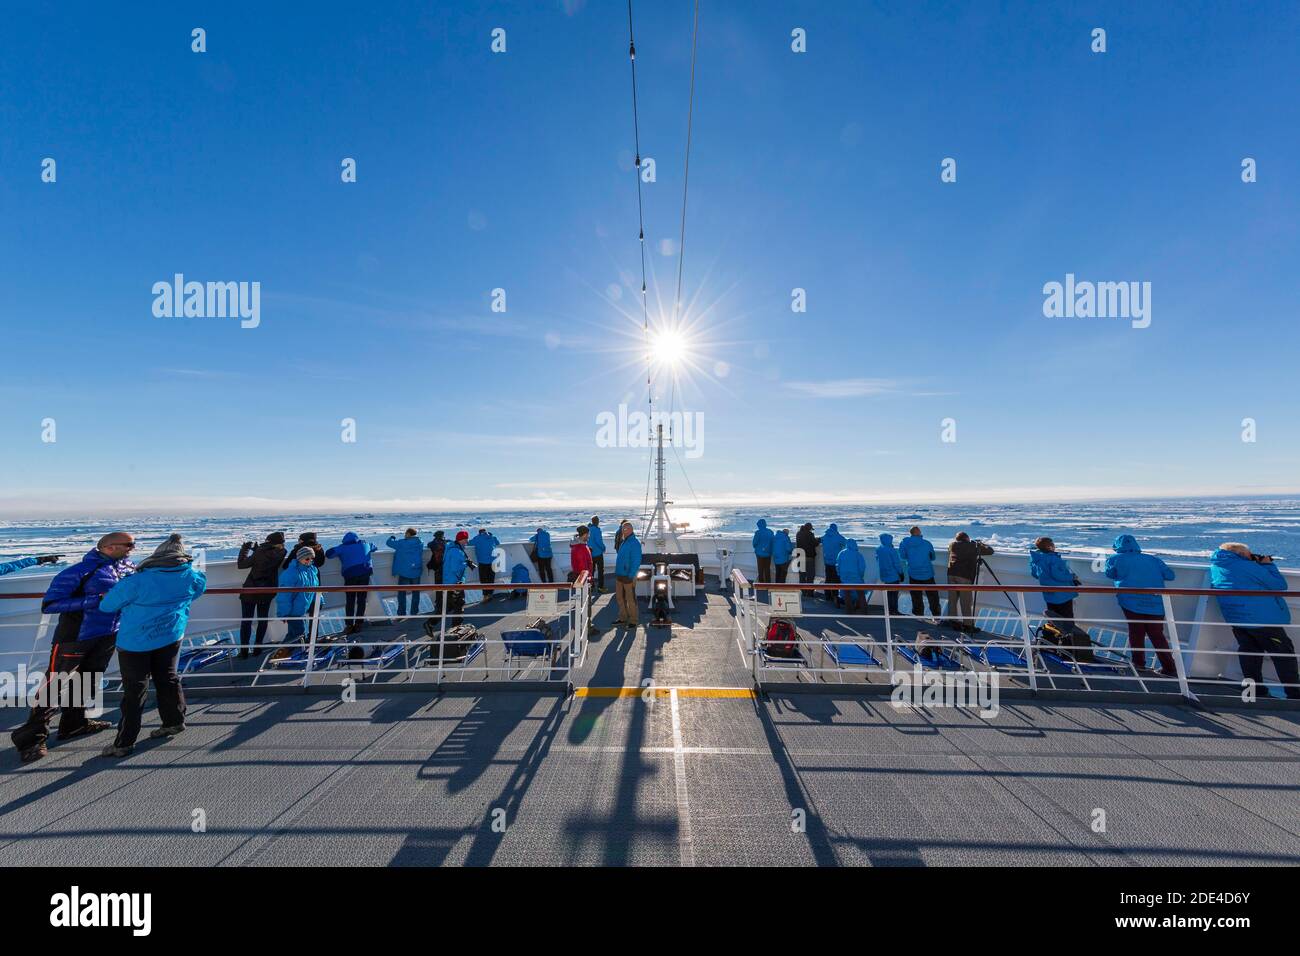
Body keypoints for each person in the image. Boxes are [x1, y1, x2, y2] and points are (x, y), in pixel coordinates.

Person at [10, 532, 136, 763]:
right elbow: (50, 605)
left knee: (88, 680)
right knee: (55, 684)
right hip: (75, 636)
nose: (133, 548)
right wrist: (96, 599)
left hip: (108, 634)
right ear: (108, 547)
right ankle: (31, 739)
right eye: (128, 545)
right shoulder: (78, 572)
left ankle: (74, 724)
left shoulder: (128, 568)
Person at [98, 535, 206, 758]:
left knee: (134, 690)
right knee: (168, 678)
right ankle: (174, 721)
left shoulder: (137, 581)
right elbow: (197, 592)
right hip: (171, 635)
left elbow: (107, 606)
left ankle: (124, 742)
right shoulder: (193, 576)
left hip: (135, 642)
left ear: (158, 554)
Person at [1209, 542, 1299, 699]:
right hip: (1261, 619)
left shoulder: (1217, 566)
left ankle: (1255, 691)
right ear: (1242, 554)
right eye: (1249, 554)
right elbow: (1279, 584)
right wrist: (1268, 565)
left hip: (1238, 619)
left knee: (1249, 654)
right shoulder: (1248, 567)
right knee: (1283, 654)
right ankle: (1294, 693)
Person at [1104, 534, 1177, 676]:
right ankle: (1170, 668)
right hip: (1155, 602)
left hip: (1130, 601)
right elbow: (1170, 576)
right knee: (1157, 635)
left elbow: (1110, 574)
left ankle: (1139, 664)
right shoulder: (1153, 559)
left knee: (1136, 632)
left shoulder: (1114, 559)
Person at [236, 532, 285, 657]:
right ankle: (258, 648)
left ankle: (244, 651)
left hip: (251, 590)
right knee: (262, 619)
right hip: (267, 591)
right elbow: (269, 556)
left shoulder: (260, 552)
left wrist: (245, 549)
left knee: (247, 620)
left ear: (268, 541)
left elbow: (241, 565)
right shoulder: (282, 553)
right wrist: (259, 549)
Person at [326, 532, 377, 633]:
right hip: (364, 574)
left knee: (350, 600)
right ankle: (359, 624)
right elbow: (375, 547)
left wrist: (340, 548)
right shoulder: (365, 544)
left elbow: (328, 554)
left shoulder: (342, 548)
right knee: (362, 599)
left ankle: (349, 625)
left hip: (350, 576)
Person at [944, 532, 994, 632]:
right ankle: (967, 625)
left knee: (952, 599)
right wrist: (980, 544)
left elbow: (951, 549)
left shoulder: (952, 545)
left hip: (951, 574)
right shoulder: (972, 546)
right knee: (965, 601)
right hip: (964, 576)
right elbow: (990, 551)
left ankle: (953, 622)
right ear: (967, 538)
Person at [1029, 537, 1080, 623]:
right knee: (1066, 618)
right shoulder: (1053, 559)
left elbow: (1035, 574)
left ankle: (1053, 635)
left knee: (1053, 618)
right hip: (1062, 595)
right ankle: (1068, 636)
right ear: (1049, 547)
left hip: (1048, 594)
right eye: (1053, 544)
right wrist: (1072, 577)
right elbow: (1058, 575)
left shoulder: (1036, 559)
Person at [277, 546, 320, 644]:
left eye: (312, 558)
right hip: (293, 612)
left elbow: (315, 588)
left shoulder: (311, 571)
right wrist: (284, 613)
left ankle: (281, 654)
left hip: (301, 610)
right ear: (299, 558)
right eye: (307, 558)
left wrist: (318, 601)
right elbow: (284, 595)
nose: (309, 561)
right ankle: (286, 654)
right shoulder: (291, 573)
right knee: (299, 635)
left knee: (293, 635)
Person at [899, 526, 941, 618]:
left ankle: (919, 616)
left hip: (913, 573)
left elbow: (902, 556)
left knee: (916, 596)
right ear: (919, 533)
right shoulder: (926, 543)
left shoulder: (904, 543)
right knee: (933, 596)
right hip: (927, 573)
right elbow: (933, 557)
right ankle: (936, 616)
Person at [386, 528, 426, 618]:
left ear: (408, 534)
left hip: (404, 571)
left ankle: (401, 613)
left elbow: (389, 543)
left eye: (405, 533)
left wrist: (392, 537)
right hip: (416, 569)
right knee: (415, 592)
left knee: (402, 593)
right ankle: (414, 612)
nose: (404, 535)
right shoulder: (420, 542)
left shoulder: (402, 543)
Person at [614, 521, 642, 628]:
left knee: (630, 599)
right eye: (622, 529)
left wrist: (630, 575)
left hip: (628, 576)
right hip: (620, 575)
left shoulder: (634, 543)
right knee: (620, 598)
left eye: (624, 529)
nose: (622, 531)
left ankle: (634, 620)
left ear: (630, 530)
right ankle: (623, 617)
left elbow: (636, 561)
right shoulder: (624, 542)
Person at [442, 531, 473, 627]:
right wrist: (466, 564)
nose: (467, 542)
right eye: (465, 539)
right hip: (456, 582)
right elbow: (456, 568)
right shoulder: (456, 551)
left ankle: (455, 626)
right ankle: (457, 627)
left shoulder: (452, 549)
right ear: (460, 540)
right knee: (459, 604)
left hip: (450, 581)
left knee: (453, 605)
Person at [835, 538, 867, 612]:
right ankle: (864, 610)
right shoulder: (858, 554)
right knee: (861, 594)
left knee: (847, 594)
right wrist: (861, 576)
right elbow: (862, 567)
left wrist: (839, 574)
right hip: (856, 577)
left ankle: (849, 610)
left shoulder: (841, 553)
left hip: (845, 577)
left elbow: (837, 565)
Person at [875, 533, 903, 616]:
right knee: (894, 593)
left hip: (884, 574)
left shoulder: (879, 549)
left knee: (889, 593)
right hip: (893, 574)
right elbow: (896, 563)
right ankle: (894, 610)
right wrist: (901, 573)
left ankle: (890, 610)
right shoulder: (891, 550)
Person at [471, 527, 500, 598]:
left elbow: (469, 543)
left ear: (479, 533)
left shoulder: (477, 538)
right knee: (491, 578)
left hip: (482, 562)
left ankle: (485, 595)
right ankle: (490, 594)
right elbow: (498, 543)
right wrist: (491, 535)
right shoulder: (492, 537)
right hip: (492, 561)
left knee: (484, 580)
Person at [821, 523, 845, 605]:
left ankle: (827, 595)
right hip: (835, 562)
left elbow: (821, 540)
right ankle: (835, 596)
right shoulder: (838, 537)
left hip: (827, 561)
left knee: (828, 579)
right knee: (836, 580)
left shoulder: (825, 536)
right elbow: (845, 542)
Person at [426, 530, 447, 613]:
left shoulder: (433, 543)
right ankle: (445, 603)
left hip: (437, 567)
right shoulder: (446, 543)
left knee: (438, 585)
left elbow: (429, 544)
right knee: (446, 585)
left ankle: (439, 603)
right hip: (446, 566)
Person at [752, 519, 775, 583]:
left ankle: (761, 583)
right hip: (768, 553)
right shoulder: (770, 532)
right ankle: (768, 583)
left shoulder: (758, 533)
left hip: (759, 554)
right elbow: (773, 542)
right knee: (767, 568)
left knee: (760, 569)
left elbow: (754, 543)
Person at [589, 516, 607, 592]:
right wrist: (603, 548)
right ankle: (600, 587)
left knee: (591, 571)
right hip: (598, 553)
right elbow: (598, 541)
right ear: (597, 522)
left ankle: (591, 586)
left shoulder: (588, 529)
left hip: (590, 553)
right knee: (600, 570)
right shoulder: (597, 530)